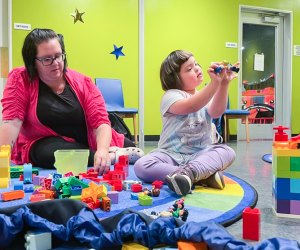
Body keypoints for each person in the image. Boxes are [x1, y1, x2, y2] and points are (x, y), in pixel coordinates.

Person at [0, 28, 143, 175]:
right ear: (33, 62)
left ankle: (106, 154)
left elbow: (100, 122)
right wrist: (2, 160)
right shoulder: (20, 79)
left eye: (58, 56)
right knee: (51, 154)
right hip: (47, 144)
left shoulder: (83, 82)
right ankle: (113, 156)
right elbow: (11, 122)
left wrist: (102, 150)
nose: (56, 63)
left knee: (131, 149)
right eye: (47, 59)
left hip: (88, 140)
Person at [134, 50, 236, 196]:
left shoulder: (204, 95)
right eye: (189, 69)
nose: (196, 68)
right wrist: (214, 84)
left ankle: (190, 174)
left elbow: (216, 112)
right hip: (170, 156)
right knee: (141, 166)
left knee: (228, 152)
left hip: (199, 154)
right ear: (175, 79)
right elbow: (191, 105)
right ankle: (202, 176)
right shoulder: (171, 96)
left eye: (196, 64)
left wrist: (224, 83)